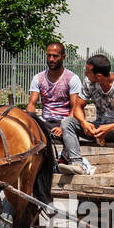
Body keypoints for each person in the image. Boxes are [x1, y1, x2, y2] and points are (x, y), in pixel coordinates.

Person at [25, 41, 96, 177]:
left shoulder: (72, 78)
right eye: (49, 56)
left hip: (64, 120)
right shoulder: (38, 78)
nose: (51, 59)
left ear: (63, 57)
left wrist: (63, 126)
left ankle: (74, 163)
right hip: (45, 120)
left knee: (67, 128)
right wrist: (30, 119)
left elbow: (75, 107)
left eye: (55, 56)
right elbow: (31, 103)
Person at [63, 53, 114, 161]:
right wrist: (84, 123)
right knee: (67, 122)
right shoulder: (89, 83)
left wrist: (109, 128)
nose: (85, 74)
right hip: (98, 128)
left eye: (88, 72)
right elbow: (77, 107)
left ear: (98, 76)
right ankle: (77, 163)